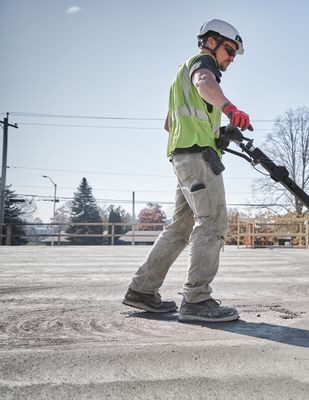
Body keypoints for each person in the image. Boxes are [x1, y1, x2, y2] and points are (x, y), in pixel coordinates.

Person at [122, 19, 252, 322]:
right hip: (199, 159)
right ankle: (197, 300)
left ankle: (141, 290)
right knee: (213, 223)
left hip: (182, 158)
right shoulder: (202, 65)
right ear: (211, 41)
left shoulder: (178, 78)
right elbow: (204, 82)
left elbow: (170, 124)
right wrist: (230, 109)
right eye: (230, 51)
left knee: (180, 228)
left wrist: (218, 133)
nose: (231, 60)